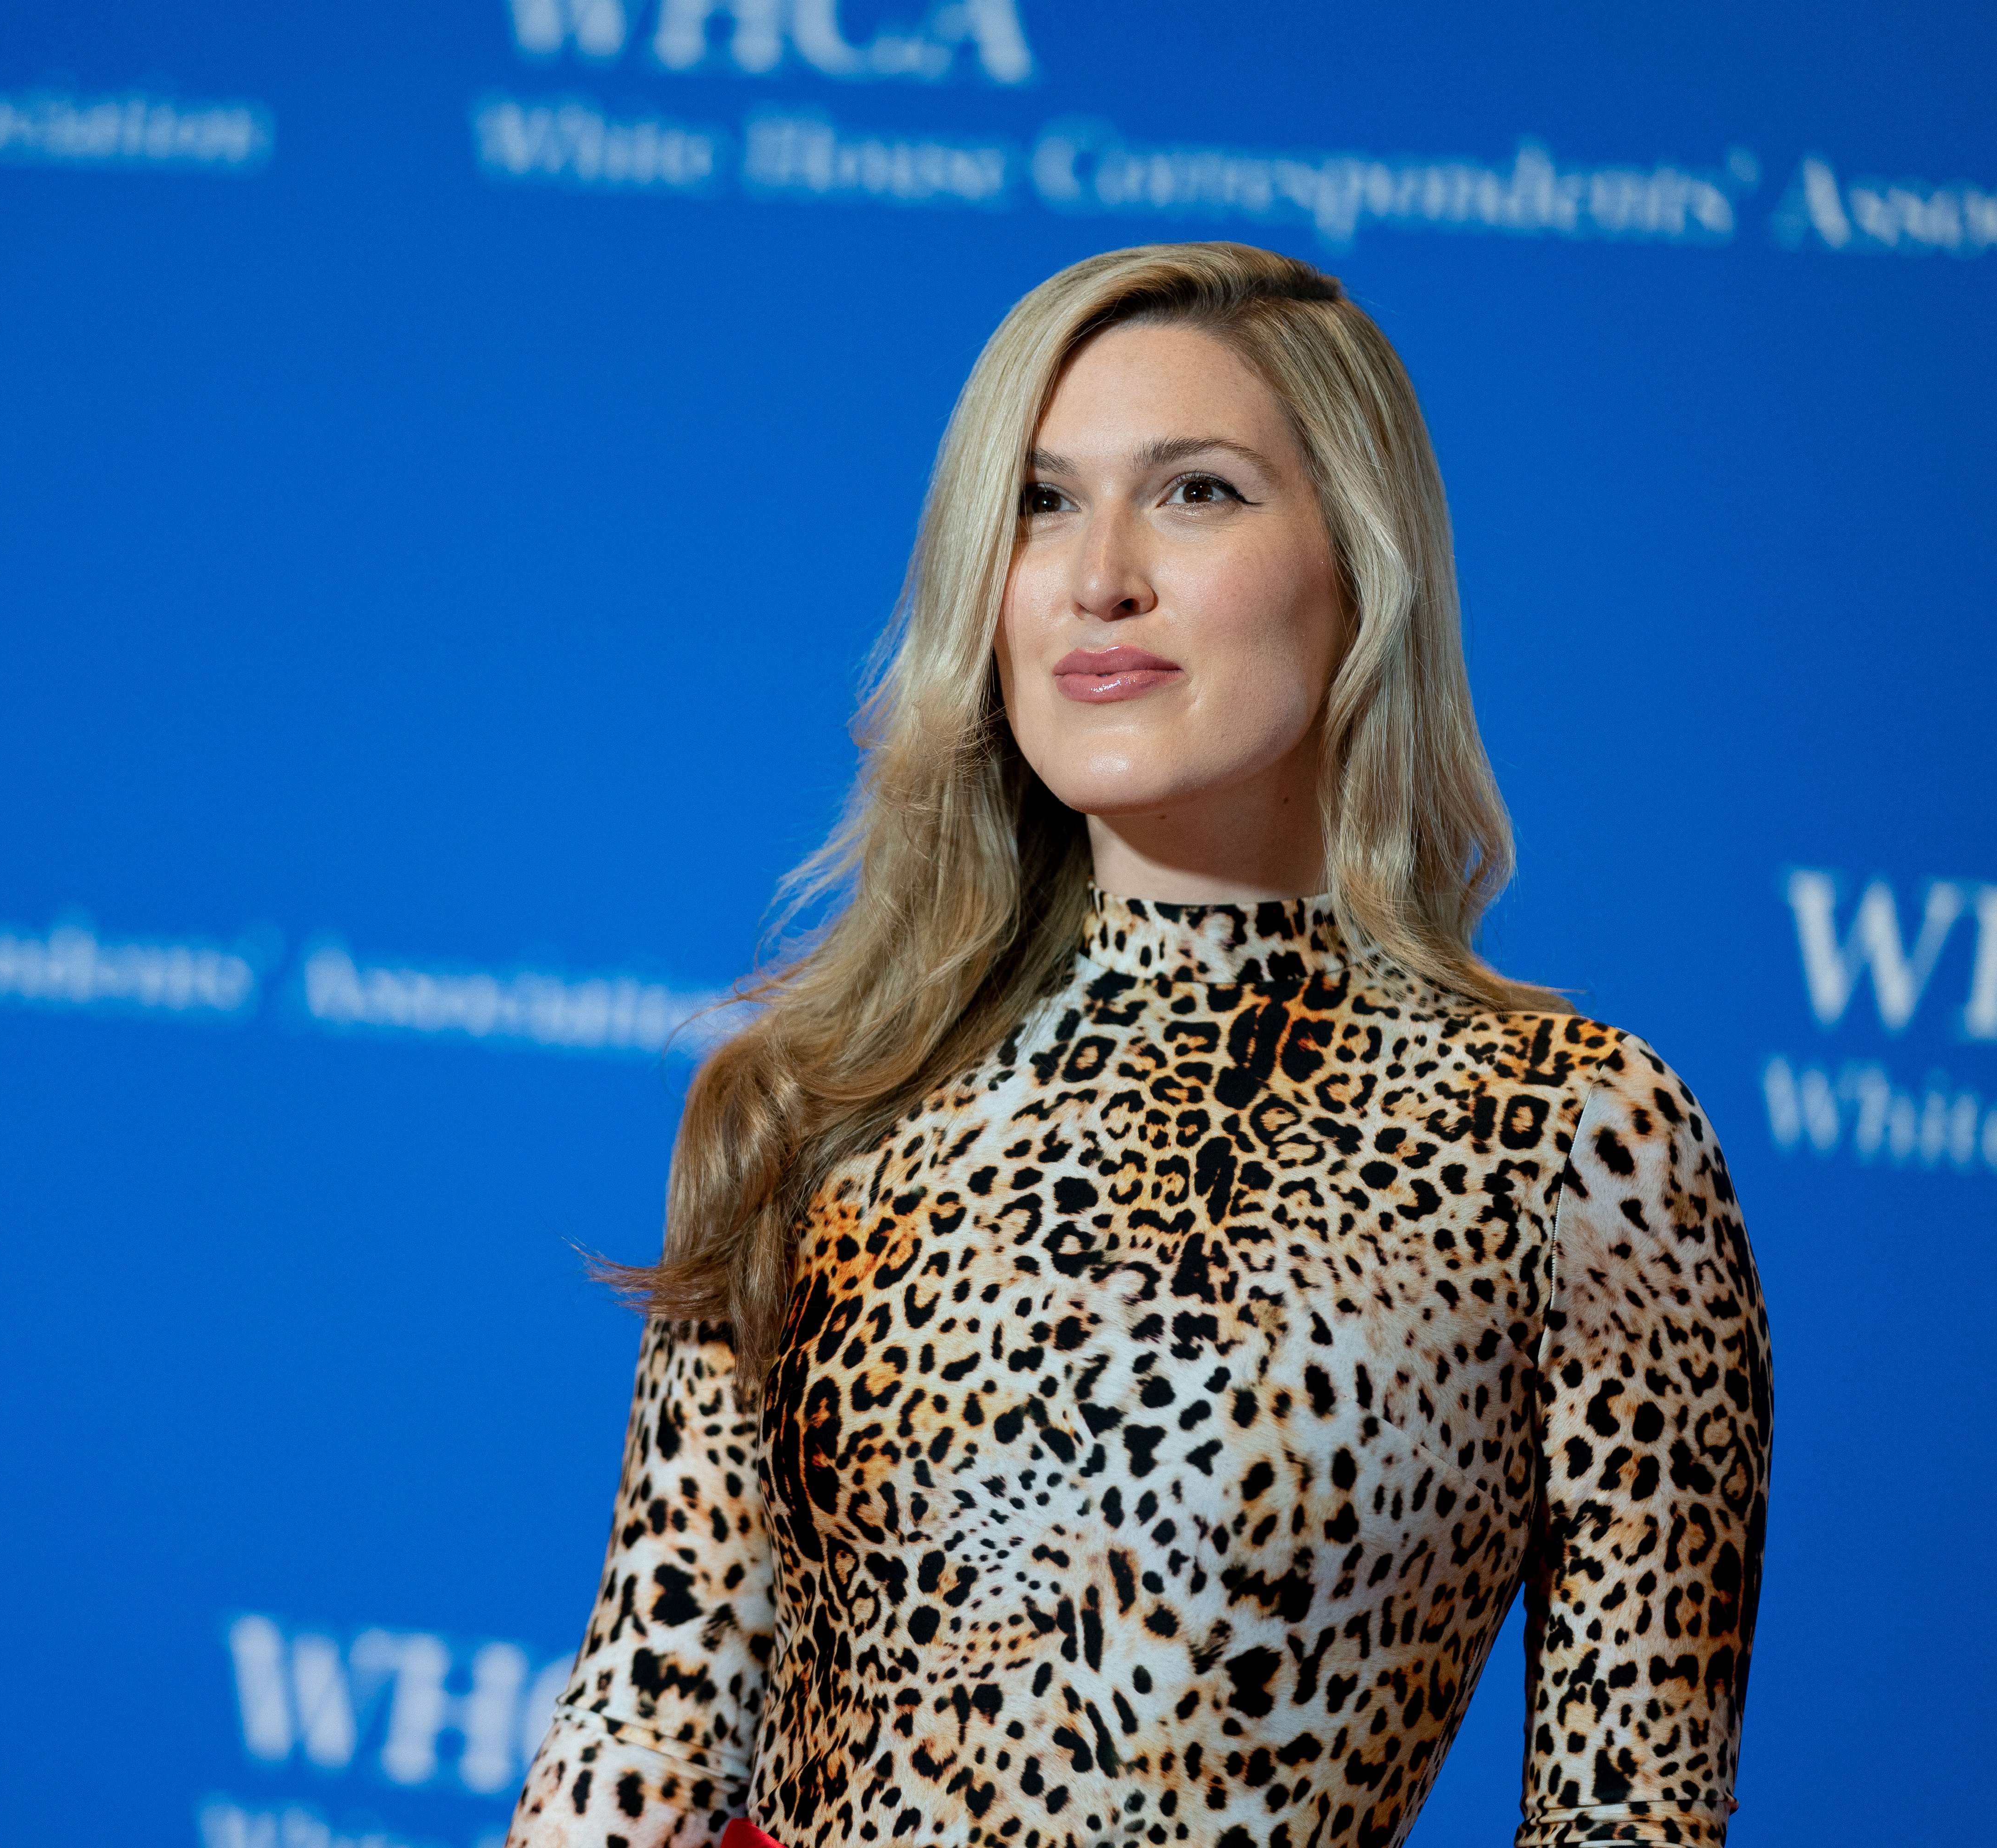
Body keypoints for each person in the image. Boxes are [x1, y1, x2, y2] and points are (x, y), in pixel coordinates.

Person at [504, 243, 1770, 1848]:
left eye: (1197, 494)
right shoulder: (816, 1095)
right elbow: (649, 1719)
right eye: (1039, 503)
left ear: (1362, 566)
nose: (1100, 575)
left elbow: (1631, 1811)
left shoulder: (1576, 1139)